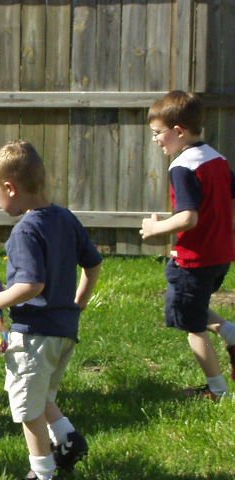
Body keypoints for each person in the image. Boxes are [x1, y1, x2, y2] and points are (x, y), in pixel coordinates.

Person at [0, 141, 102, 480]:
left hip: (34, 334)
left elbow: (32, 285)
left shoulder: (25, 230)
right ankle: (68, 438)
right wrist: (79, 302)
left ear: (10, 188)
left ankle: (43, 471)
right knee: (43, 394)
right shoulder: (65, 218)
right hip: (64, 331)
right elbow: (93, 265)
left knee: (28, 409)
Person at [140, 90, 235, 400]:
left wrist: (155, 228)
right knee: (188, 309)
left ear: (178, 131)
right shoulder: (217, 159)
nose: (155, 140)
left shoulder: (183, 167)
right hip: (220, 256)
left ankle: (218, 390)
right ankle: (231, 333)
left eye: (158, 133)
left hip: (194, 261)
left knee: (191, 325)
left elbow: (188, 218)